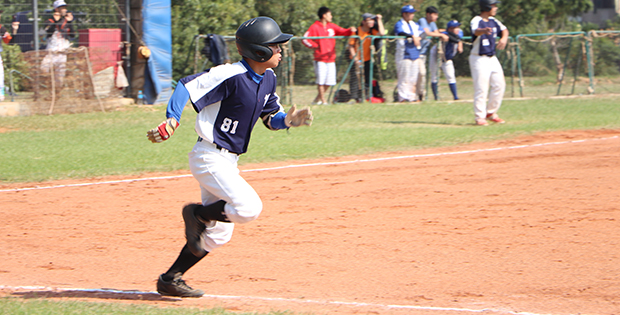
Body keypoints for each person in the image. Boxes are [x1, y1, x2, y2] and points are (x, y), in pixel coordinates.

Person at [146, 17, 313, 298]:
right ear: (259, 51)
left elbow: (270, 118)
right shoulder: (230, 74)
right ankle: (196, 214)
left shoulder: (268, 78)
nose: (281, 50)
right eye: (276, 45)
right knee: (248, 208)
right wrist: (172, 120)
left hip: (228, 162)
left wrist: (289, 120)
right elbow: (185, 86)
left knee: (218, 234)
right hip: (208, 157)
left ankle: (170, 278)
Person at [302, 7, 356, 105]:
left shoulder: (331, 26)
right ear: (324, 15)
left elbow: (343, 31)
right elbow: (305, 38)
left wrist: (350, 30)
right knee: (321, 81)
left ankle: (316, 100)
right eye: (329, 14)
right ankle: (323, 101)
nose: (331, 16)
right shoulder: (315, 27)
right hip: (320, 59)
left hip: (331, 58)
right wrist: (315, 46)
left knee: (329, 82)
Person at [469, 0, 509, 126]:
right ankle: (479, 117)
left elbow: (505, 30)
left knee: (499, 84)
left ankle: (490, 113)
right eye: (493, 6)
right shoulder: (477, 19)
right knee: (481, 87)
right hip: (479, 58)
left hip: (492, 58)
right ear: (486, 7)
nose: (495, 8)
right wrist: (483, 31)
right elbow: (475, 31)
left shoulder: (494, 21)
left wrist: (504, 38)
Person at [41, 0, 75, 93]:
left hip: (62, 52)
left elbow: (72, 35)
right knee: (43, 69)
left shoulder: (66, 21)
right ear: (57, 9)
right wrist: (56, 21)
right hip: (51, 51)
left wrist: (70, 22)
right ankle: (46, 88)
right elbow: (48, 32)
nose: (64, 10)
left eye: (65, 8)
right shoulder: (50, 20)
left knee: (59, 77)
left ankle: (56, 93)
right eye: (62, 8)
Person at [348, 12, 385, 101]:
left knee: (367, 79)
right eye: (369, 20)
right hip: (355, 59)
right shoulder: (356, 31)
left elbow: (382, 33)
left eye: (373, 20)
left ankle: (367, 96)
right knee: (355, 79)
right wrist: (355, 59)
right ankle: (355, 98)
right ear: (364, 22)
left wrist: (379, 20)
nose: (372, 22)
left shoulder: (372, 31)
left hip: (367, 59)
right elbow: (351, 46)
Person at [417, 6, 448, 102]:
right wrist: (441, 34)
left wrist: (443, 32)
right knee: (420, 73)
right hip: (416, 53)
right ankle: (418, 95)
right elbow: (428, 33)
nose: (436, 17)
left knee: (421, 74)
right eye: (434, 14)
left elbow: (435, 32)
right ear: (428, 14)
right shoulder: (422, 20)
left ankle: (419, 95)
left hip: (423, 53)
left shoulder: (433, 24)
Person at [393, 5, 421, 103]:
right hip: (404, 53)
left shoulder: (415, 24)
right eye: (410, 13)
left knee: (413, 77)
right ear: (404, 14)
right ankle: (402, 97)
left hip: (415, 53)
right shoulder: (399, 24)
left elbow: (422, 32)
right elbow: (400, 33)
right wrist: (412, 36)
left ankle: (411, 96)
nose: (412, 15)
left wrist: (419, 37)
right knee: (404, 77)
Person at [431, 20, 463, 100]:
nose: (457, 29)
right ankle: (436, 97)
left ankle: (455, 97)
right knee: (434, 75)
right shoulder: (445, 34)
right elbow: (441, 34)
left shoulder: (459, 32)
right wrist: (443, 32)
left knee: (450, 76)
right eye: (454, 27)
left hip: (447, 57)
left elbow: (457, 39)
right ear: (450, 29)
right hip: (436, 55)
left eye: (457, 27)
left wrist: (460, 43)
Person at [0, 10, 13, 101]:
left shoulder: (1, 28)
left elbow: (8, 41)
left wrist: (14, 31)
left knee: (0, 74)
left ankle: (1, 93)